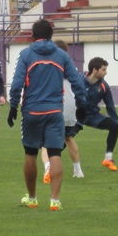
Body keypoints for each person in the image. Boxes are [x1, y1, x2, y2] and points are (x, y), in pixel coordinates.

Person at [8, 19, 87, 211]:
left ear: (33, 36)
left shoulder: (26, 54)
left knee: (30, 153)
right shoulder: (61, 55)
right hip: (54, 111)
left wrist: (12, 106)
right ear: (51, 35)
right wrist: (82, 104)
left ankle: (33, 198)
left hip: (32, 111)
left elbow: (17, 82)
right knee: (54, 153)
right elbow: (76, 81)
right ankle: (55, 200)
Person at [41, 40, 85, 183]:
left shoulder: (49, 66)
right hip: (70, 106)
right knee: (68, 138)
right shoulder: (71, 66)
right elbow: (79, 85)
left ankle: (48, 168)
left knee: (45, 141)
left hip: (54, 105)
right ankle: (78, 170)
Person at [77, 57, 118, 172]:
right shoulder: (78, 80)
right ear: (95, 70)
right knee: (66, 138)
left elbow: (110, 105)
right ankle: (51, 161)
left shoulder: (104, 86)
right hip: (76, 115)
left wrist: (115, 120)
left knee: (114, 125)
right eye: (103, 70)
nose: (106, 72)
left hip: (93, 116)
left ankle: (108, 159)